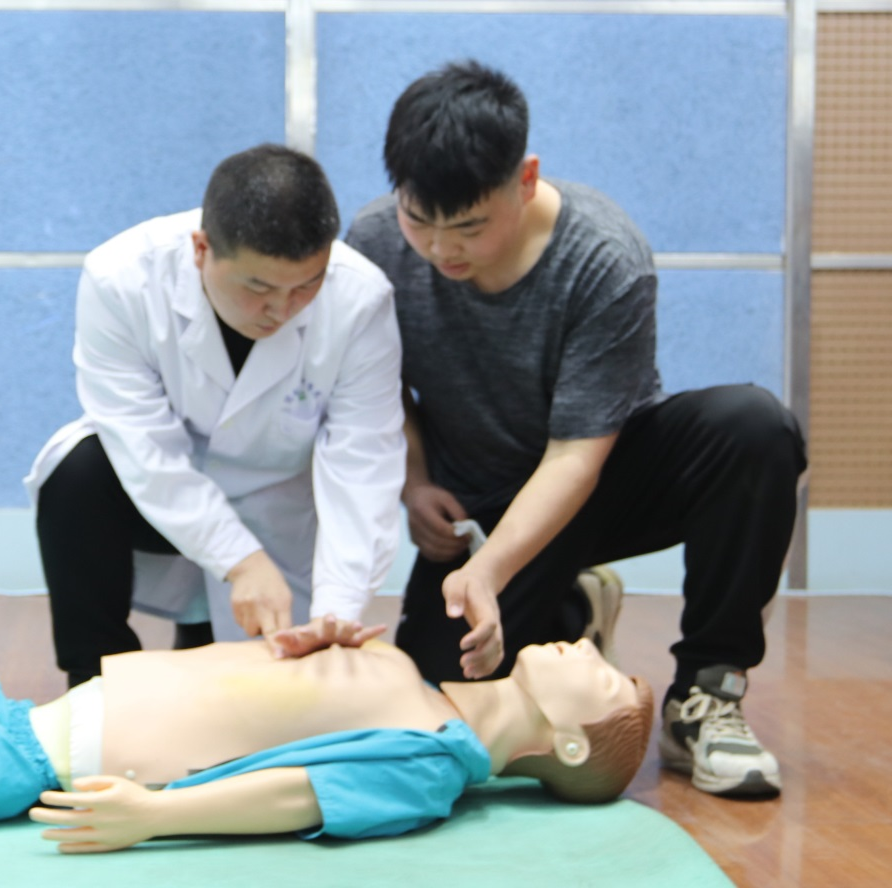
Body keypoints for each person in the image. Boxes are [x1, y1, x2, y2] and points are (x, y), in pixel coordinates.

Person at [344, 61, 807, 797]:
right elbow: (374, 383)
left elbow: (574, 457)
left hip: (601, 476)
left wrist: (488, 575)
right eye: (419, 220)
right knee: (435, 705)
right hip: (482, 504)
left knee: (752, 429)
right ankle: (571, 606)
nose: (440, 249)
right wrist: (416, 482)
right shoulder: (372, 243)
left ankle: (706, 693)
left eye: (469, 227)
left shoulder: (603, 257)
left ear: (525, 180)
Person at [0, 631, 653, 852]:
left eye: (603, 676)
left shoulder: (432, 761)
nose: (586, 647)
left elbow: (303, 794)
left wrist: (155, 816)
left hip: (15, 761)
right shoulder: (425, 691)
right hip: (16, 721)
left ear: (566, 744)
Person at [24, 145, 406, 687]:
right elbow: (144, 450)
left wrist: (338, 610)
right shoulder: (121, 280)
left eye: (307, 285)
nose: (282, 310)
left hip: (281, 504)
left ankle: (203, 632)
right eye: (258, 287)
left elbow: (362, 463)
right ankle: (92, 677)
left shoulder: (361, 299)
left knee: (248, 684)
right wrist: (240, 561)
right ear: (201, 249)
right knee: (77, 470)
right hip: (158, 494)